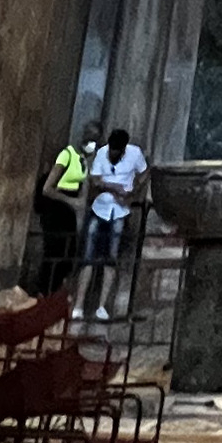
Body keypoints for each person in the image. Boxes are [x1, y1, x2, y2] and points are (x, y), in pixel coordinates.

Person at [77, 126, 148, 322]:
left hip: (119, 212)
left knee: (111, 258)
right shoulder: (101, 154)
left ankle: (101, 306)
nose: (113, 154)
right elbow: (96, 180)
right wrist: (115, 187)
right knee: (88, 258)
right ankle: (79, 306)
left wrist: (134, 191)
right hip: (100, 208)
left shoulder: (135, 154)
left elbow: (144, 173)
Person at [35, 127, 91, 295]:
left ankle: (56, 293)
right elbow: (47, 189)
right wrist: (71, 201)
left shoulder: (84, 161)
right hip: (54, 208)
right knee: (53, 251)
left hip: (67, 211)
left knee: (68, 252)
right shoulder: (67, 155)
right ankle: (44, 293)